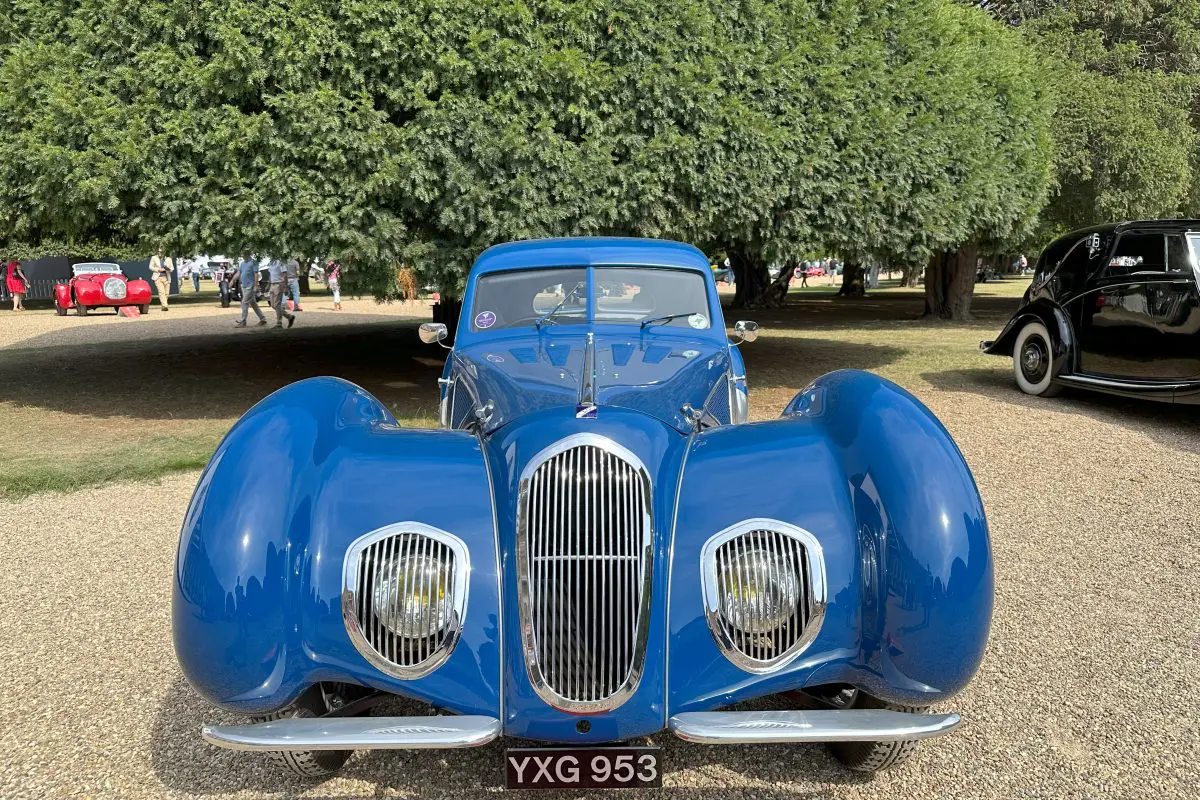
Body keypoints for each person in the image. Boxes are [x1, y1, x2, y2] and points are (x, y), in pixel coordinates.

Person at [234, 251, 267, 327]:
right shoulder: (242, 264)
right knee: (253, 303)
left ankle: (243, 321)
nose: (243, 255)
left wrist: (255, 286)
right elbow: (239, 273)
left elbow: (256, 275)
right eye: (242, 254)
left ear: (249, 254)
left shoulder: (254, 262)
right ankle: (263, 319)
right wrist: (232, 280)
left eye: (245, 254)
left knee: (244, 302)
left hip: (250, 286)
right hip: (244, 286)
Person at [267, 257, 295, 328]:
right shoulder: (270, 263)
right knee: (273, 305)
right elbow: (271, 275)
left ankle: (279, 323)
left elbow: (285, 274)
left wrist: (285, 287)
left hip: (279, 284)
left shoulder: (280, 262)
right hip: (272, 285)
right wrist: (268, 284)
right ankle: (289, 317)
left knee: (277, 305)